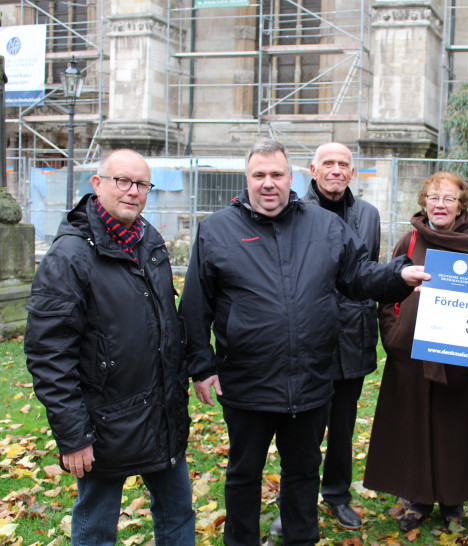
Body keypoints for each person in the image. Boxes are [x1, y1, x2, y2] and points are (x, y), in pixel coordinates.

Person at [179, 139, 429, 546]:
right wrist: (202, 366)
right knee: (244, 473)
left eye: (276, 174)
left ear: (291, 178)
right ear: (247, 179)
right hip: (246, 382)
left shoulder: (325, 226)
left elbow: (359, 277)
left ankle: (301, 539)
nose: (268, 183)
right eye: (259, 175)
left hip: (311, 378)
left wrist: (398, 277)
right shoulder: (216, 230)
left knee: (303, 472)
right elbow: (195, 306)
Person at [24, 149, 195, 545]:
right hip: (103, 425)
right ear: (97, 184)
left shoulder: (148, 240)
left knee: (177, 513)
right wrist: (73, 434)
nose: (133, 192)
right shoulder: (68, 257)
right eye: (123, 181)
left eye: (142, 184)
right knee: (97, 525)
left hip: (162, 415)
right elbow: (49, 354)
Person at [364, 171, 468, 531]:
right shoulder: (408, 242)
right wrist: (394, 334)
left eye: (449, 198)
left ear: (461, 206)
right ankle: (419, 497)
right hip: (410, 355)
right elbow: (386, 292)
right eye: (434, 197)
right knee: (415, 427)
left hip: (461, 361)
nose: (440, 204)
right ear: (424, 202)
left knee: (454, 428)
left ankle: (453, 499)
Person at [269, 142, 379, 536]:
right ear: (312, 170)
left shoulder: (368, 215)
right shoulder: (294, 212)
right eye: (328, 163)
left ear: (352, 172)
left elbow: (365, 273)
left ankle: (336, 494)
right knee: (301, 431)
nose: (336, 170)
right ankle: (295, 503)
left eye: (343, 164)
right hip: (307, 337)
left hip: (352, 336)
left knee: (343, 427)